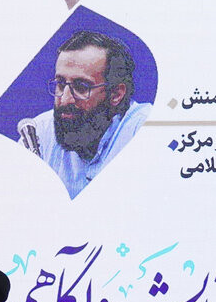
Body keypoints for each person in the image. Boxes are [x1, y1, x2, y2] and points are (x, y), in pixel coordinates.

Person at [17, 29, 151, 198]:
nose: (65, 99)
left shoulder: (145, 130)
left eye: (81, 87)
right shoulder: (39, 133)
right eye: (60, 84)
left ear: (116, 94)